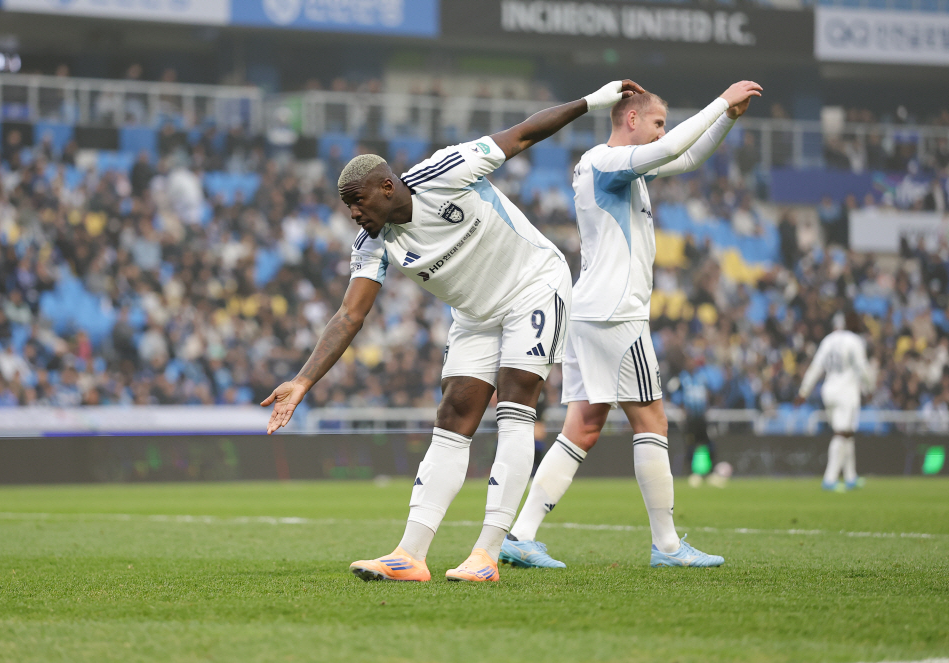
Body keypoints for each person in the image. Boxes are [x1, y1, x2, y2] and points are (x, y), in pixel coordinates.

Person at [262, 79, 647, 582]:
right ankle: (411, 555)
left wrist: (594, 102)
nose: (354, 215)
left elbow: (524, 134)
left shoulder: (447, 170)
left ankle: (486, 554)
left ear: (387, 186)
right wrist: (303, 381)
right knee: (453, 414)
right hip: (474, 313)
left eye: (357, 202)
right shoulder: (372, 242)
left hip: (534, 285)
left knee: (513, 405)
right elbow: (349, 316)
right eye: (347, 208)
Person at [498, 79, 761, 570]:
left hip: (592, 310)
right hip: (617, 313)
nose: (663, 131)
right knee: (652, 421)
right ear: (633, 119)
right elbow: (675, 148)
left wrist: (727, 119)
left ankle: (520, 535)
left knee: (583, 425)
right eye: (658, 121)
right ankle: (666, 546)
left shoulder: (622, 170)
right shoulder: (606, 160)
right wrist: (719, 100)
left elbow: (685, 158)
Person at [797, 312, 874, 491]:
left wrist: (804, 391)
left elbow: (816, 367)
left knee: (847, 434)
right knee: (842, 434)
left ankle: (850, 477)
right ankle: (829, 479)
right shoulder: (854, 341)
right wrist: (869, 388)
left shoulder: (827, 341)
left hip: (829, 391)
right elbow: (862, 368)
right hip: (846, 393)